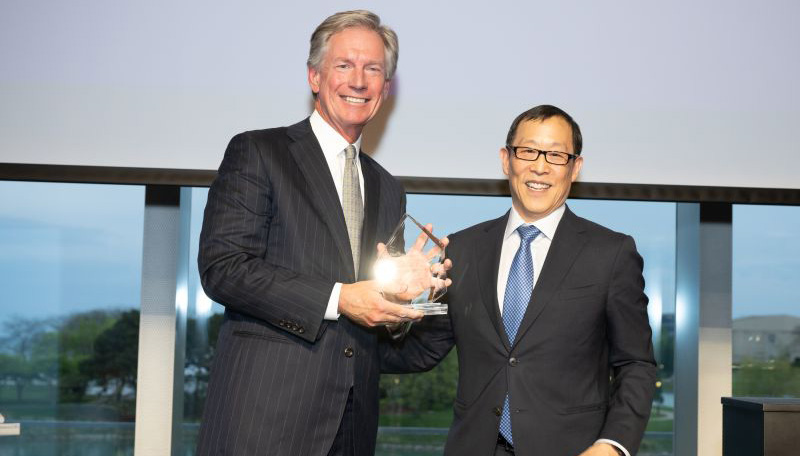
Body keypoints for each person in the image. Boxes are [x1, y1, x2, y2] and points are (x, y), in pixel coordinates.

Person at [196, 10, 427, 456]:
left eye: (373, 69)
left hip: (352, 426)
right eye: (344, 65)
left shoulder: (388, 188)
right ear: (315, 77)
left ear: (385, 88)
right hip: (262, 420)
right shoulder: (259, 151)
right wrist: (339, 298)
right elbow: (223, 269)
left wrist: (407, 296)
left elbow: (374, 309)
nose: (358, 81)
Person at [382, 105, 657, 456]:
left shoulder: (611, 253)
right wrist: (394, 307)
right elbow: (420, 352)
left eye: (556, 155)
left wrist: (613, 445)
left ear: (576, 168)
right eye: (527, 151)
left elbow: (636, 364)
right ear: (505, 159)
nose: (539, 166)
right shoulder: (463, 249)